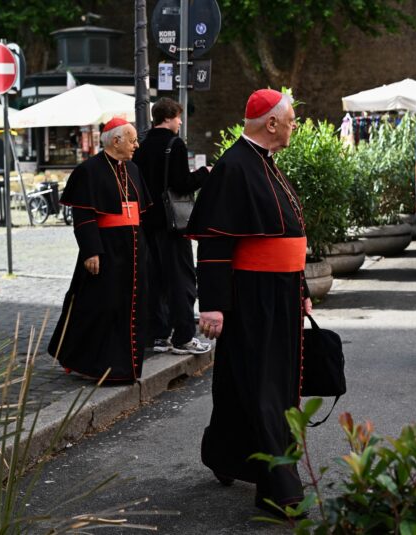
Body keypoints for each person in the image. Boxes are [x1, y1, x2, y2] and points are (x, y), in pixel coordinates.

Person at [186, 89, 312, 516]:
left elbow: (288, 237)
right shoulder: (234, 167)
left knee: (254, 384)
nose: (294, 126)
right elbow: (216, 243)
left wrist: (303, 290)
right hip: (254, 296)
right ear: (271, 123)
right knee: (265, 387)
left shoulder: (267, 164)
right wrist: (213, 305)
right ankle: (279, 487)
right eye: (291, 120)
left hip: (282, 292)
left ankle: (225, 453)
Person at [48, 118, 151, 382]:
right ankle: (96, 364)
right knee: (100, 308)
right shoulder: (89, 171)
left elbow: (141, 214)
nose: (136, 145)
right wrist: (91, 251)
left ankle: (125, 367)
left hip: (134, 251)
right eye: (132, 140)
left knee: (129, 308)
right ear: (116, 141)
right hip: (106, 250)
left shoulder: (134, 170)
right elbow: (83, 215)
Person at [133, 98, 211, 355]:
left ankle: (159, 334)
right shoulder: (174, 144)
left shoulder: (141, 147)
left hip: (148, 222)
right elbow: (182, 182)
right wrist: (204, 173)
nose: (180, 122)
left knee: (156, 279)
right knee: (182, 279)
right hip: (173, 224)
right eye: (178, 117)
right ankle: (184, 337)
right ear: (168, 117)